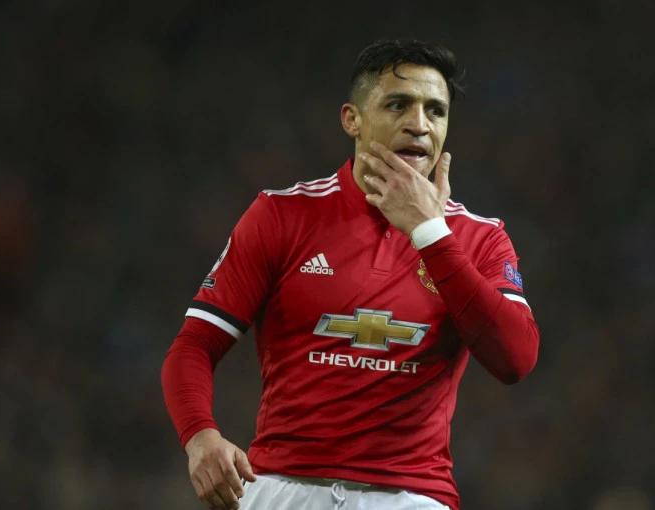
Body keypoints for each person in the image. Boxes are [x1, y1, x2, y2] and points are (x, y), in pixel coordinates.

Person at [161, 38, 540, 510]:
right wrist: (200, 436)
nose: (419, 124)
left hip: (411, 497)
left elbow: (515, 360)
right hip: (282, 489)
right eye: (398, 105)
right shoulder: (282, 215)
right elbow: (195, 344)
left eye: (436, 111)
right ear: (351, 119)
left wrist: (430, 234)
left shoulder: (479, 237)